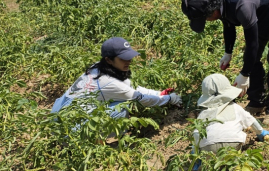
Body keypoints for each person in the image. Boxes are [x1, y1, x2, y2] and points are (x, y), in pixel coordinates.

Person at [181, 0, 269, 119]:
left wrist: (245, 75)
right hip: (260, 17)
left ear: (213, 10)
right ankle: (257, 102)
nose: (207, 21)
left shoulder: (243, 7)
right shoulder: (219, 2)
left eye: (205, 18)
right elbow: (228, 26)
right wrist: (228, 53)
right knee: (252, 58)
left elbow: (253, 43)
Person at [51, 37, 183, 118]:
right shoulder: (108, 83)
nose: (129, 61)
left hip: (60, 115)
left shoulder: (98, 67)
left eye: (129, 57)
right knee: (121, 108)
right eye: (123, 59)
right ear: (109, 60)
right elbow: (141, 99)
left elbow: (129, 87)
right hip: (69, 128)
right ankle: (100, 144)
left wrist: (158, 93)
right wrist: (169, 99)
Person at [193, 74, 269, 153]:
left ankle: (201, 163)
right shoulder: (235, 107)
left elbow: (196, 133)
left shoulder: (203, 114)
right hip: (232, 141)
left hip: (208, 146)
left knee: (208, 157)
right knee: (231, 157)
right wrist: (261, 132)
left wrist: (195, 151)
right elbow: (251, 120)